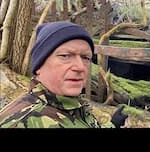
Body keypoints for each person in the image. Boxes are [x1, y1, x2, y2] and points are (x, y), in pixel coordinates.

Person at [0, 21, 128, 128]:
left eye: (86, 58)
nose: (80, 67)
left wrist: (112, 125)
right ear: (39, 65)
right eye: (65, 56)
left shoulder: (73, 106)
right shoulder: (22, 122)